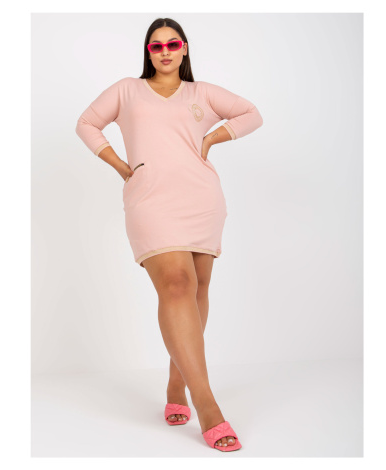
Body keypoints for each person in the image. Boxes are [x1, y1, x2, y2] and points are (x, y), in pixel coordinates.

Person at [75, 17, 263, 452]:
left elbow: (252, 114)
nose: (164, 51)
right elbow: (86, 123)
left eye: (172, 44)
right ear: (148, 51)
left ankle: (177, 382)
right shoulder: (127, 90)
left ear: (184, 49)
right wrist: (120, 166)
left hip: (201, 199)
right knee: (176, 284)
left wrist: (212, 139)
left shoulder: (202, 93)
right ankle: (207, 404)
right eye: (156, 45)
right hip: (151, 200)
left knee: (197, 290)